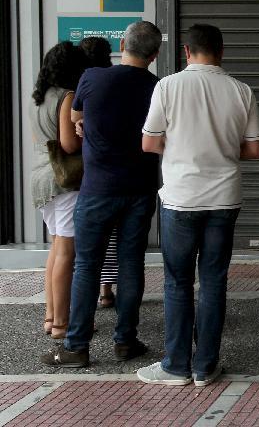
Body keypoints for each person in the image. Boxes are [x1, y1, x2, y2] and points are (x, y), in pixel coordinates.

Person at [137, 23, 259, 387]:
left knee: (177, 282)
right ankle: (205, 366)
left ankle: (176, 365)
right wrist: (221, 149)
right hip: (224, 199)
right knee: (213, 280)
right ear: (221, 52)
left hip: (181, 199)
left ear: (186, 52)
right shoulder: (241, 90)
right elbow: (254, 148)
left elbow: (149, 143)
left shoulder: (167, 86)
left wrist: (180, 147)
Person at [40, 23, 162, 368]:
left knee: (86, 265)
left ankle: (76, 347)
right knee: (130, 264)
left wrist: (84, 125)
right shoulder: (157, 86)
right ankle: (126, 341)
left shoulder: (92, 77)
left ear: (122, 44)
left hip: (97, 190)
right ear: (154, 55)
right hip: (139, 189)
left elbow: (78, 118)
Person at [30, 41, 86, 340]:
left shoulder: (37, 99)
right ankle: (62, 324)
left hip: (40, 178)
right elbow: (67, 145)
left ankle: (51, 317)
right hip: (62, 179)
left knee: (56, 247)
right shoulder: (67, 96)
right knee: (67, 250)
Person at [77, 36, 117, 309]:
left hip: (87, 172)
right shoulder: (114, 80)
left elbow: (75, 121)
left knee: (87, 245)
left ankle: (83, 304)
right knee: (113, 236)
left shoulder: (82, 82)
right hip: (115, 170)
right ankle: (106, 290)